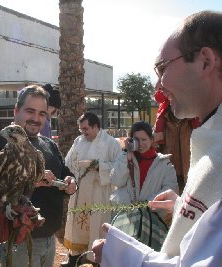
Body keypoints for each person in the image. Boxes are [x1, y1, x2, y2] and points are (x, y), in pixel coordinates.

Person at [92, 10, 222, 266]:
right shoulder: (210, 137)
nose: (157, 87)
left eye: (162, 68)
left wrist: (121, 255)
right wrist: (186, 208)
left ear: (205, 61)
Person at [0, 85, 77, 267]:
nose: (36, 119)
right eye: (30, 111)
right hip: (16, 238)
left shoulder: (48, 144)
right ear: (16, 111)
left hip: (48, 236)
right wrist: (30, 180)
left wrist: (69, 182)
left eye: (42, 113)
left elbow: (63, 172)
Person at [61, 112, 121, 267]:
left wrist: (99, 166)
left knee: (96, 225)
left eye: (86, 129)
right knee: (75, 225)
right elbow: (68, 163)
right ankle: (74, 259)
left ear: (95, 126)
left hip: (99, 193)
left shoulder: (111, 143)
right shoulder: (79, 141)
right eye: (81, 129)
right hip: (80, 191)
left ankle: (96, 261)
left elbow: (120, 167)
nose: (83, 132)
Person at [109, 121, 178, 250]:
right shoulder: (124, 157)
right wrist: (127, 155)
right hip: (126, 220)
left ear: (152, 140)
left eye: (144, 139)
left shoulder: (164, 163)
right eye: (136, 139)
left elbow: (170, 190)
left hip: (152, 221)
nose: (140, 144)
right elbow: (116, 181)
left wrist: (146, 204)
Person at [153, 88, 199, 194]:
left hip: (191, 175)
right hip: (168, 177)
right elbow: (154, 151)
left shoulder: (194, 123)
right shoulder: (160, 127)